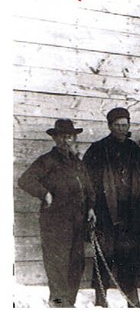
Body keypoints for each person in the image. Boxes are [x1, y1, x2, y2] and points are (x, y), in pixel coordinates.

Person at [18, 119, 96, 308]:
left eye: (69, 136)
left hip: (77, 221)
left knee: (76, 264)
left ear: (74, 138)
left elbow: (88, 187)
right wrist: (44, 193)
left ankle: (69, 302)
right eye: (61, 136)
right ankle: (59, 302)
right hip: (55, 222)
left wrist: (91, 207)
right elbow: (25, 180)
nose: (65, 140)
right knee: (58, 264)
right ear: (55, 138)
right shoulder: (46, 161)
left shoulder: (77, 162)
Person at [83, 107, 140, 307]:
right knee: (104, 258)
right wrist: (91, 208)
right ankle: (100, 300)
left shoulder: (134, 150)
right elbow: (88, 183)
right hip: (105, 215)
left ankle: (132, 300)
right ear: (110, 126)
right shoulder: (97, 149)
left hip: (131, 217)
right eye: (118, 125)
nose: (122, 129)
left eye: (125, 125)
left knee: (129, 260)